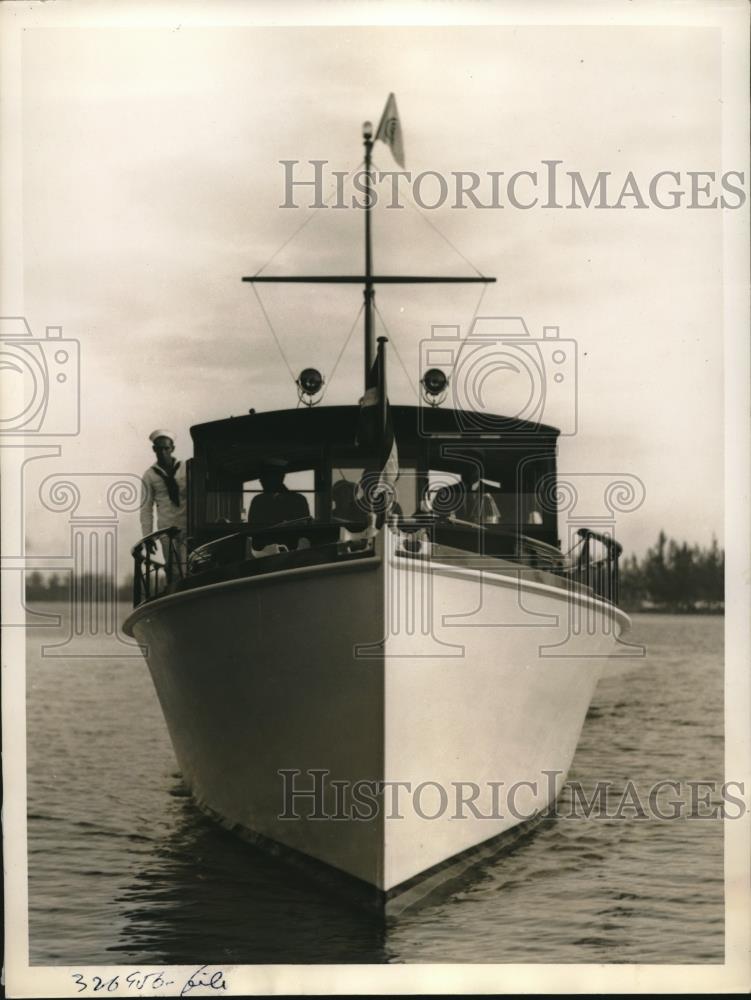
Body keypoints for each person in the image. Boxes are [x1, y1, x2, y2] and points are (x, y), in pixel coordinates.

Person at [140, 429, 187, 567]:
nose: (163, 452)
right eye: (159, 449)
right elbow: (146, 509)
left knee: (188, 567)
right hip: (166, 530)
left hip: (188, 527)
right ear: (154, 449)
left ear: (172, 448)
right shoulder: (149, 475)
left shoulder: (186, 468)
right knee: (173, 571)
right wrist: (147, 537)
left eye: (166, 448)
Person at [247, 460, 310, 542]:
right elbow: (252, 527)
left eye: (266, 476)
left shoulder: (298, 500)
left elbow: (303, 528)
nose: (261, 480)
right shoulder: (258, 500)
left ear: (280, 477)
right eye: (262, 476)